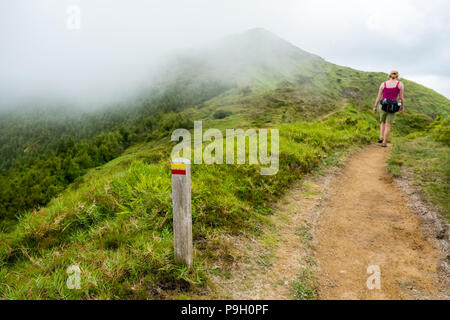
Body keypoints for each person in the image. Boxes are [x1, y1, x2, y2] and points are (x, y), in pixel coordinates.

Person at [373, 70, 404, 147]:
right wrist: (401, 107)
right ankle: (384, 142)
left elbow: (379, 96)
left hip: (383, 105)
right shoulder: (400, 84)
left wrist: (375, 106)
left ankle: (381, 137)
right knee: (388, 125)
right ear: (397, 76)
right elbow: (401, 98)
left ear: (389, 75)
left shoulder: (383, 84)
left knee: (382, 122)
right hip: (392, 107)